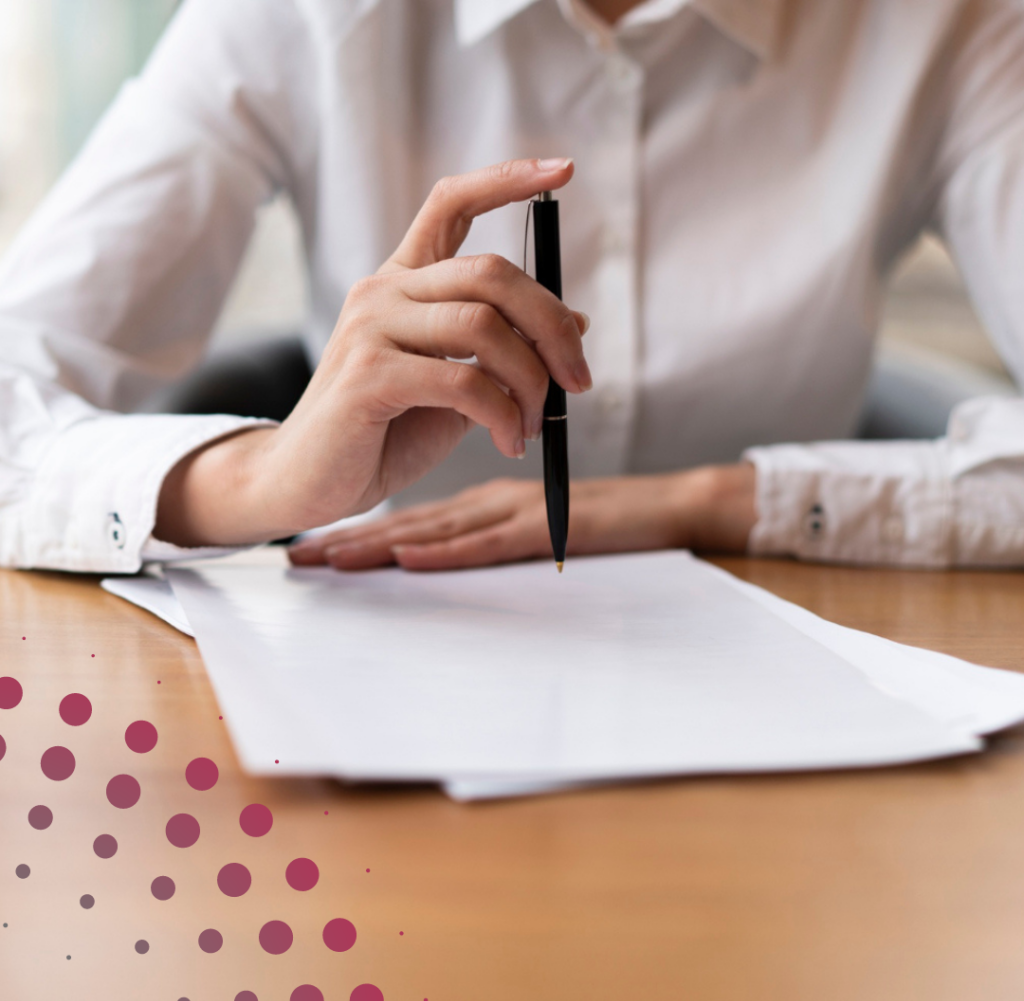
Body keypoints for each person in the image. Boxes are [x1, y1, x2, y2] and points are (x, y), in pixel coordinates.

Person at [1, 0, 1023, 575]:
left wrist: (712, 502)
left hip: (796, 676)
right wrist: (264, 479)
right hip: (371, 675)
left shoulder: (954, 24)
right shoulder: (295, 16)